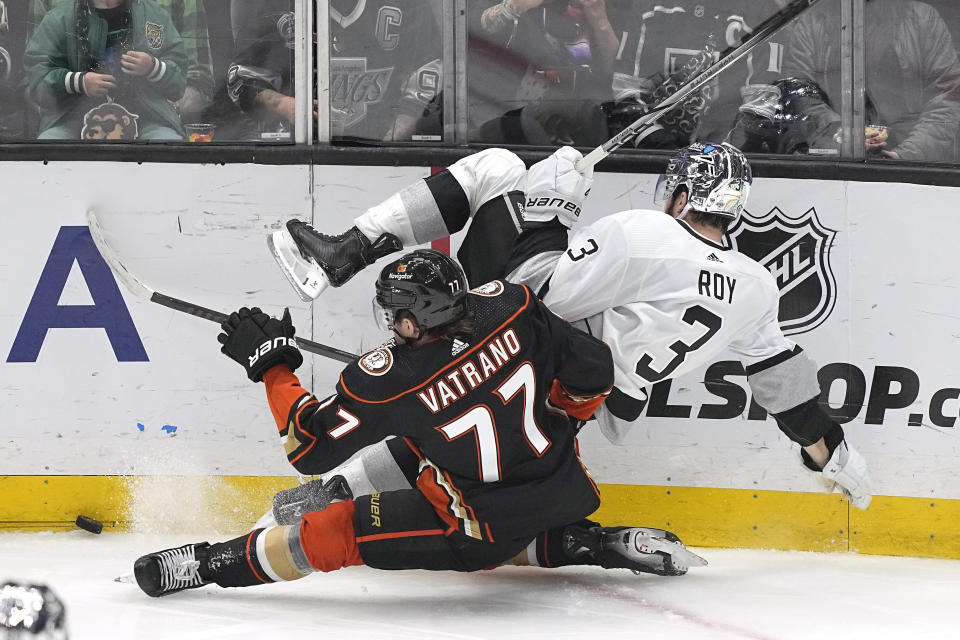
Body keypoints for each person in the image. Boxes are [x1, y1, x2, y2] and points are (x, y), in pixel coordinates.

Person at [268, 142, 872, 512]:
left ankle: (341, 253)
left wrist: (552, 207)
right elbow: (787, 394)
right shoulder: (757, 287)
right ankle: (337, 494)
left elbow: (539, 295)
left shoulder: (643, 232)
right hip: (592, 400)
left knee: (499, 169)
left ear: (683, 195)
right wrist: (835, 457)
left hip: (538, 345)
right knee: (451, 422)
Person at [132, 249, 706, 598]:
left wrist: (273, 366)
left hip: (480, 525)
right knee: (422, 436)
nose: (390, 323)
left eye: (394, 313)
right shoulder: (510, 301)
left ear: (412, 317)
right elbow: (593, 370)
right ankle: (596, 542)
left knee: (340, 530)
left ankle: (210, 564)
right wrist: (560, 416)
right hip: (564, 484)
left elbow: (306, 445)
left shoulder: (387, 379)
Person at [226, 0, 442, 142]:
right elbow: (241, 78)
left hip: (382, 153)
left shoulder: (404, 5)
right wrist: (285, 105)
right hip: (295, 157)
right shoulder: (282, 5)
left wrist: (396, 136)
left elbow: (429, 66)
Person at [783, 0, 960, 162]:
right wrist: (838, 134)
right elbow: (802, 96)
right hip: (835, 160)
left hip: (911, 163)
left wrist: (906, 153)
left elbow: (947, 100)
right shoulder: (813, 23)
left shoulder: (923, 20)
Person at [28, 0, 215, 124]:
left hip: (151, 122)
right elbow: (33, 79)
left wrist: (159, 113)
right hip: (71, 119)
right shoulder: (53, 7)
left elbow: (197, 83)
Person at [467, 0, 618, 146]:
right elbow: (468, 28)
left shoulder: (596, 7)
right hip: (508, 121)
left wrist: (600, 20)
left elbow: (612, 70)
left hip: (580, 124)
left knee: (592, 118)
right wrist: (513, 7)